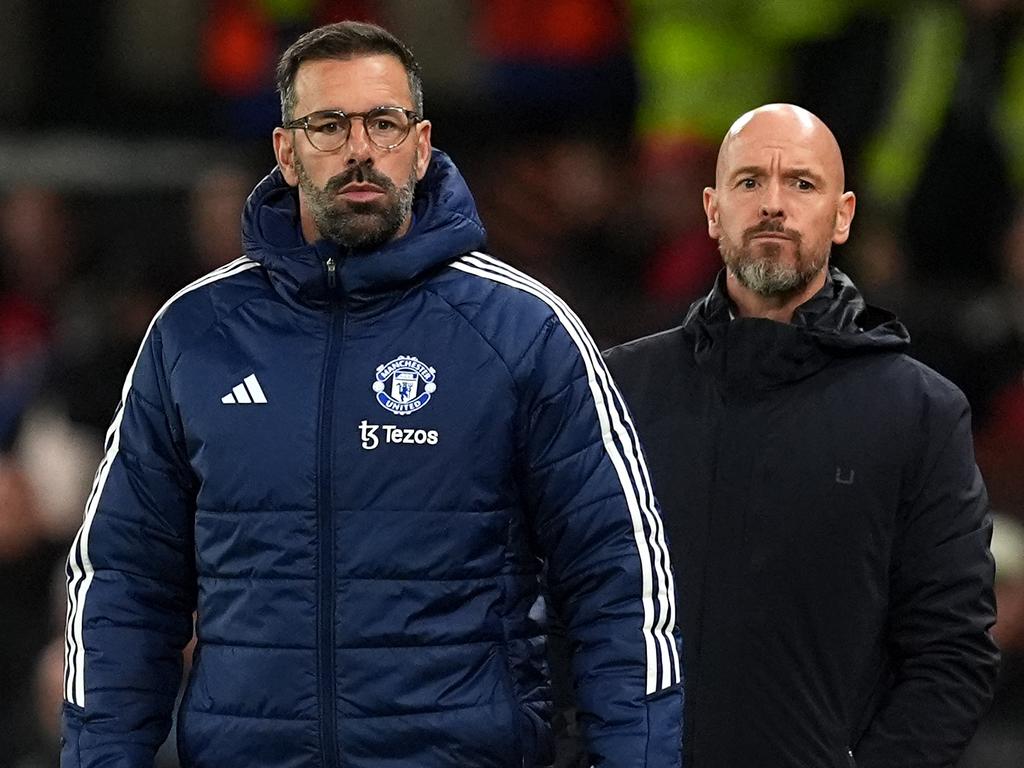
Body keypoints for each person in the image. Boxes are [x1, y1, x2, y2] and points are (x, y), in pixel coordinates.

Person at [59, 21, 682, 768]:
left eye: (383, 123)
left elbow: (620, 581)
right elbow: (123, 586)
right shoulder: (193, 335)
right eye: (328, 125)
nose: (360, 149)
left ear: (421, 146)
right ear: (286, 153)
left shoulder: (524, 332)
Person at [603, 103, 999, 767]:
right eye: (750, 182)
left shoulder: (919, 413)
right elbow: (557, 609)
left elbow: (951, 656)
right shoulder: (620, 392)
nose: (773, 206)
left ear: (843, 215)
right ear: (712, 207)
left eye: (803, 184)